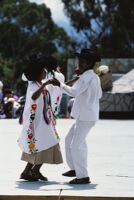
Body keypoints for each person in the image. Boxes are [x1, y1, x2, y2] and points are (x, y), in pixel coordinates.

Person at [51, 48, 102, 184]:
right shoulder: (93, 77)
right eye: (80, 59)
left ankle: (83, 176)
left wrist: (60, 84)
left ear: (89, 63)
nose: (79, 62)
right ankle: (75, 169)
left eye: (82, 60)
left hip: (86, 117)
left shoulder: (87, 77)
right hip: (86, 115)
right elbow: (99, 95)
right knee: (70, 141)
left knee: (76, 145)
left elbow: (74, 92)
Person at [18, 54, 63, 181]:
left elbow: (55, 89)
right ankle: (31, 171)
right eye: (43, 70)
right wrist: (45, 84)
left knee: (45, 143)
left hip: (44, 121)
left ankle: (31, 171)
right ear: (38, 73)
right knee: (43, 144)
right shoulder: (34, 85)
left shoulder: (40, 83)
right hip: (37, 122)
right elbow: (34, 97)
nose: (46, 72)